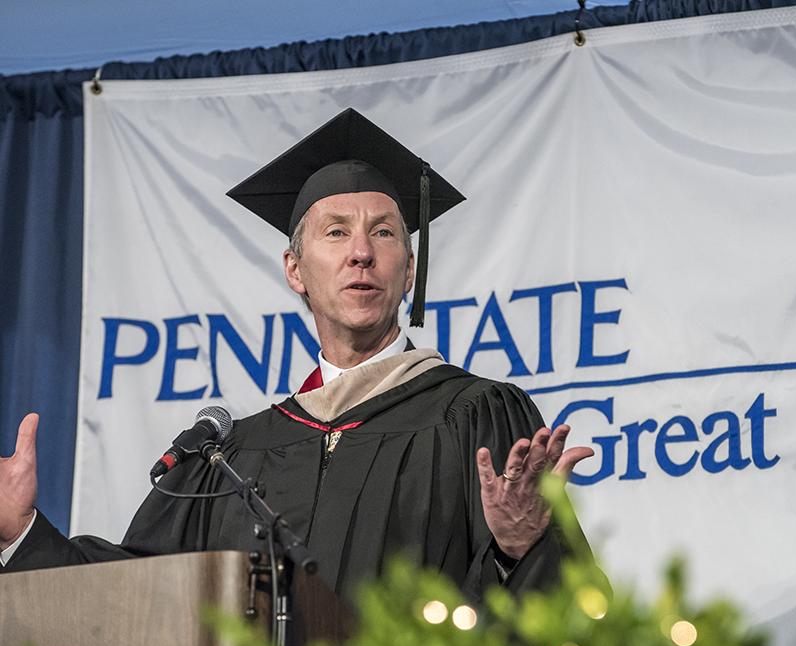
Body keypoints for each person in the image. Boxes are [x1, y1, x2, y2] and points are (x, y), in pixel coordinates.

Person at [0, 108, 593, 601]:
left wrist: (519, 550)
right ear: (295, 271)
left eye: (384, 233)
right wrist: (19, 535)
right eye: (335, 232)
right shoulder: (230, 457)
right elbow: (138, 592)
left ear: (409, 270)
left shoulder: (476, 418)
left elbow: (562, 618)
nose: (361, 252)